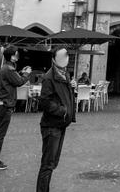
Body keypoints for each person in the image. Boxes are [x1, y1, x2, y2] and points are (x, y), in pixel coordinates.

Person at [37, 47, 76, 192]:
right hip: (51, 126)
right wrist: (63, 111)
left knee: (52, 162)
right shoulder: (49, 77)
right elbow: (44, 101)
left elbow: (63, 97)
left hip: (60, 124)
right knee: (48, 163)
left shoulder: (65, 74)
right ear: (54, 59)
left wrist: (72, 88)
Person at [0, 46, 26, 171]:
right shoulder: (9, 69)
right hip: (5, 104)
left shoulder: (7, 68)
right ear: (12, 56)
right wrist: (27, 74)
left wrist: (20, 73)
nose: (18, 56)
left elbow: (14, 79)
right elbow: (19, 82)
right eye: (16, 54)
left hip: (2, 104)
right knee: (0, 134)